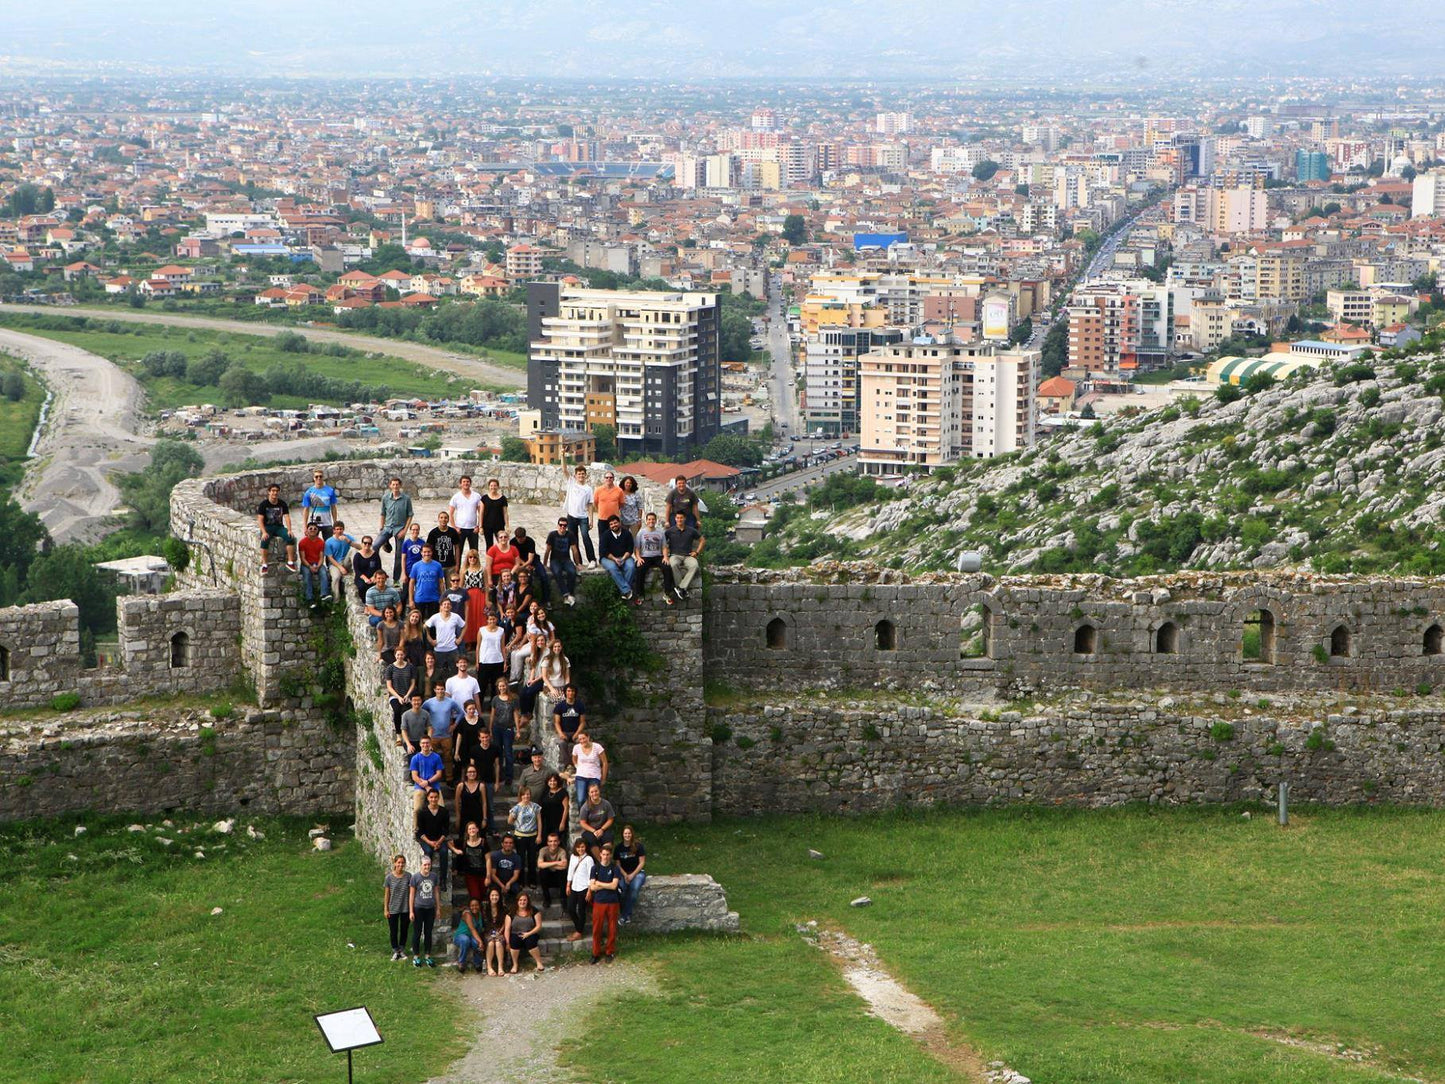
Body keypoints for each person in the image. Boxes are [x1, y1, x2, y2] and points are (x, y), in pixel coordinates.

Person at [588, 843, 622, 963]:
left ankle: (610, 951)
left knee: (612, 927)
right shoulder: (595, 868)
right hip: (599, 901)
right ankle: (595, 953)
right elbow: (592, 887)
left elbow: (614, 886)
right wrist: (603, 885)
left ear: (610, 855)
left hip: (612, 901)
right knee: (597, 928)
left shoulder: (615, 868)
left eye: (608, 854)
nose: (605, 857)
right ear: (600, 855)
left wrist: (599, 883)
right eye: (603, 854)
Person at [633, 511, 675, 605]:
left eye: (653, 519)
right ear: (646, 521)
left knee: (667, 568)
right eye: (649, 519)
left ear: (655, 521)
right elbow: (637, 548)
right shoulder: (641, 533)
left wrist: (665, 557)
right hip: (645, 556)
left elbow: (664, 547)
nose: (651, 521)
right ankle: (640, 595)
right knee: (639, 569)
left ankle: (667, 593)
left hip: (658, 556)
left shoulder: (660, 532)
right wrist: (638, 558)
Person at [377, 476, 415, 581]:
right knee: (375, 546)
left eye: (397, 484)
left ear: (400, 485)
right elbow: (382, 513)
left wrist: (405, 530)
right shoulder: (385, 498)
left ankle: (396, 579)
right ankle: (378, 573)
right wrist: (381, 528)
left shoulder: (406, 499)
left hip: (400, 528)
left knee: (399, 554)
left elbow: (410, 515)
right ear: (390, 486)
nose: (395, 486)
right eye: (393, 484)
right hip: (388, 527)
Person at [255, 483, 297, 574]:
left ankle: (290, 562)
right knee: (264, 541)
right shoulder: (263, 504)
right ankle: (264, 564)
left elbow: (287, 517)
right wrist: (264, 532)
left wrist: (289, 530)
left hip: (279, 527)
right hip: (268, 527)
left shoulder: (282, 504)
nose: (275, 493)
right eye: (273, 491)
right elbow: (260, 519)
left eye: (277, 491)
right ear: (269, 492)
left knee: (290, 538)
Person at [664, 511, 705, 601]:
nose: (679, 520)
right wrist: (665, 555)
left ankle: (681, 588)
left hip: (688, 555)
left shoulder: (691, 530)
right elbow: (663, 544)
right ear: (675, 519)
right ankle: (682, 589)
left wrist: (697, 552)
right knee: (673, 564)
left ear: (685, 519)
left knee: (694, 565)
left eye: (681, 518)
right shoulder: (670, 531)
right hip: (675, 555)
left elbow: (702, 540)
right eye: (678, 518)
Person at [507, 785, 542, 888]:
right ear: (521, 796)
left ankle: (532, 881)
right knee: (521, 859)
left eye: (528, 794)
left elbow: (539, 821)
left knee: (532, 859)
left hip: (532, 835)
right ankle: (521, 881)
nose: (526, 796)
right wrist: (517, 823)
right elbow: (509, 821)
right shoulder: (517, 808)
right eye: (524, 794)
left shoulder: (535, 806)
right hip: (520, 836)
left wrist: (539, 835)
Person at [409, 854, 440, 967]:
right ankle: (416, 956)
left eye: (428, 865)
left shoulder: (434, 876)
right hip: (418, 908)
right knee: (417, 932)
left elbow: (436, 892)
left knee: (428, 932)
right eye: (425, 865)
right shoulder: (415, 877)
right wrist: (411, 911)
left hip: (430, 908)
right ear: (421, 865)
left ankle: (428, 955)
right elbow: (411, 895)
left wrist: (438, 908)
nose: (427, 867)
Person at [563, 464, 596, 566]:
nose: (581, 475)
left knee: (586, 537)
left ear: (585, 475)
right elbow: (564, 470)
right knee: (574, 540)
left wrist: (591, 519)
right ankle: (578, 562)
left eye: (582, 474)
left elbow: (590, 505)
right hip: (571, 516)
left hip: (583, 517)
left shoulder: (588, 489)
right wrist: (563, 456)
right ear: (575, 475)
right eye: (579, 474)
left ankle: (592, 560)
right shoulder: (571, 483)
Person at [427, 598, 467, 682]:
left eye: (448, 604)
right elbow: (425, 627)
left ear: (451, 606)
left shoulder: (455, 617)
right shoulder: (435, 617)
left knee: (455, 672)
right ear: (441, 606)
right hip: (439, 649)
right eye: (444, 604)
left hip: (452, 649)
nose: (446, 606)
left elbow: (464, 626)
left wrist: (460, 638)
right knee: (437, 674)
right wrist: (430, 640)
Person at [449, 820, 489, 903]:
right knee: (475, 896)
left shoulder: (483, 842)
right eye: (470, 829)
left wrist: (488, 876)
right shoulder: (463, 842)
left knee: (483, 896)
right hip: (470, 875)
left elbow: (488, 859)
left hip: (482, 873)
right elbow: (449, 843)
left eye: (473, 828)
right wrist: (455, 850)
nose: (472, 830)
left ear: (477, 829)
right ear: (467, 831)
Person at [489, 675, 519, 786]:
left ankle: (509, 776)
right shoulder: (495, 699)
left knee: (508, 753)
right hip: (497, 728)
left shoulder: (513, 699)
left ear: (506, 686)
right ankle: (499, 775)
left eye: (503, 686)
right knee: (498, 753)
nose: (502, 688)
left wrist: (518, 730)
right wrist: (490, 729)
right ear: (498, 687)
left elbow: (515, 714)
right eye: (500, 686)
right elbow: (492, 715)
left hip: (508, 729)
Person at [598, 515, 637, 600]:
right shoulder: (605, 535)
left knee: (631, 567)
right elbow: (603, 551)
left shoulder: (627, 533)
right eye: (611, 524)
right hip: (608, 558)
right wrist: (615, 559)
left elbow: (630, 549)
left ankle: (623, 592)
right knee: (612, 567)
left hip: (624, 556)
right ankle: (626, 590)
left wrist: (623, 558)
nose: (613, 525)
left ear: (619, 523)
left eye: (615, 523)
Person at [385, 646, 418, 744]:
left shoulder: (410, 667)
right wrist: (399, 697)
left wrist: (407, 695)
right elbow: (389, 686)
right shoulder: (390, 668)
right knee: (397, 711)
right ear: (395, 655)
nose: (400, 656)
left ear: (404, 655)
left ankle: (411, 735)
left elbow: (413, 683)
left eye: (401, 655)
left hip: (407, 694)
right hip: (395, 695)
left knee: (411, 712)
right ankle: (399, 735)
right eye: (398, 655)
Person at [616, 824, 648, 925]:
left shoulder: (638, 846)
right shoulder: (618, 848)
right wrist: (625, 875)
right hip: (624, 873)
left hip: (637, 873)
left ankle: (624, 916)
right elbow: (617, 864)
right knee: (621, 890)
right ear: (622, 834)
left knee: (634, 890)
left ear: (632, 834)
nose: (627, 835)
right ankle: (625, 914)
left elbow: (642, 862)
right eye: (625, 833)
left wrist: (632, 875)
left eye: (629, 833)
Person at [506, 891, 545, 974]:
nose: (522, 902)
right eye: (520, 900)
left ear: (528, 901)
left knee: (531, 942)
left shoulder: (534, 910)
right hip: (515, 933)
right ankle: (515, 964)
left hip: (530, 932)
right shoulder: (511, 912)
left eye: (524, 900)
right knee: (514, 942)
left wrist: (528, 934)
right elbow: (507, 929)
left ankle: (539, 962)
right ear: (517, 901)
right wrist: (507, 942)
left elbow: (539, 926)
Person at [564, 836, 594, 942]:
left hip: (584, 887)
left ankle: (579, 932)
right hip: (574, 887)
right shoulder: (573, 857)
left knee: (581, 910)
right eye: (578, 847)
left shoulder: (589, 859)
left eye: (582, 847)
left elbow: (591, 876)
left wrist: (589, 891)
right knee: (570, 908)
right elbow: (570, 871)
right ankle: (579, 927)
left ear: (585, 847)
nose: (580, 849)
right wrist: (568, 884)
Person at [544, 516, 578, 607]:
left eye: (564, 525)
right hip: (555, 560)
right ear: (557, 525)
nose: (562, 527)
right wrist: (545, 564)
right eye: (561, 525)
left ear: (567, 526)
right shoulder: (552, 535)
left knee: (572, 572)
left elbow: (574, 550)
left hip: (566, 559)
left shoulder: (570, 535)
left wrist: (578, 563)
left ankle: (569, 594)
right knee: (557, 572)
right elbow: (547, 550)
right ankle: (567, 595)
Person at [383, 853, 411, 961]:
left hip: (405, 907)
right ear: (395, 863)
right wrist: (386, 909)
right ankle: (395, 950)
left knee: (404, 929)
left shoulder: (408, 876)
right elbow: (387, 894)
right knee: (393, 930)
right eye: (398, 862)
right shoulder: (389, 878)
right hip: (393, 907)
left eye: (402, 863)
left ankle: (402, 950)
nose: (400, 865)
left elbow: (411, 892)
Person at [571, 731, 608, 811]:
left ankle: (594, 817)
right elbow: (574, 759)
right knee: (581, 799)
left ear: (588, 737)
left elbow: (605, 762)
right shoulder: (576, 748)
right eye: (580, 739)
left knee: (594, 798)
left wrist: (603, 778)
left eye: (584, 738)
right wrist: (578, 767)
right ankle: (583, 816)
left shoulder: (597, 747)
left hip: (594, 776)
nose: (582, 741)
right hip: (581, 776)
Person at [449, 475, 484, 560]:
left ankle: (475, 567)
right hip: (460, 529)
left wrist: (479, 526)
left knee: (474, 552)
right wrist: (454, 528)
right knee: (458, 551)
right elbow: (450, 513)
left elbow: (481, 512)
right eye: (464, 482)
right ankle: (457, 568)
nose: (466, 483)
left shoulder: (476, 496)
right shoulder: (456, 497)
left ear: (470, 483)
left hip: (473, 529)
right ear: (460, 484)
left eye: (467, 481)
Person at [553, 683, 587, 770]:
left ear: (575, 693)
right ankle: (568, 764)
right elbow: (556, 722)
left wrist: (577, 733)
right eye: (568, 691)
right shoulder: (560, 706)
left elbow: (582, 722)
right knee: (562, 743)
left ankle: (580, 763)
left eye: (572, 691)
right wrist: (560, 733)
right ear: (565, 692)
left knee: (581, 743)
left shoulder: (580, 705)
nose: (570, 693)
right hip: (564, 732)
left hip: (576, 732)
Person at [593, 469, 625, 562]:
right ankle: (602, 557)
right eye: (607, 477)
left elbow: (621, 504)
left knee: (615, 538)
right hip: (602, 519)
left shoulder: (619, 491)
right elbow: (595, 503)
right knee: (602, 539)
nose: (608, 479)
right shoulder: (598, 490)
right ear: (604, 479)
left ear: (613, 479)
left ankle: (614, 556)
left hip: (614, 520)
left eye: (610, 477)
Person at [453, 701, 486, 788]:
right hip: (465, 749)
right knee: (464, 769)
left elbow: (484, 735)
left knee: (477, 768)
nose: (472, 711)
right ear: (465, 710)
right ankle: (463, 787)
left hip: (477, 749)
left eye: (473, 709)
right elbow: (459, 737)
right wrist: (456, 752)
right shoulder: (462, 722)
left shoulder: (480, 721)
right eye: (469, 709)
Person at [578, 782, 616, 859]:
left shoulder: (606, 804)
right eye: (592, 792)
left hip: (603, 828)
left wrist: (602, 829)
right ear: (589, 793)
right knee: (591, 840)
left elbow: (610, 819)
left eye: (596, 791)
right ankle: (600, 861)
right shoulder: (585, 806)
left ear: (599, 791)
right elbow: (582, 823)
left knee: (608, 838)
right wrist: (594, 831)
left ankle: (607, 859)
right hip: (590, 830)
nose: (594, 793)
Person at [510, 526, 548, 602]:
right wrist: (525, 566)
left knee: (543, 576)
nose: (520, 540)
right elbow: (516, 556)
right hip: (520, 561)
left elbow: (530, 559)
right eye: (518, 538)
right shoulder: (512, 542)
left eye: (522, 538)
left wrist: (525, 566)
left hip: (533, 560)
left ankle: (546, 599)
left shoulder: (530, 541)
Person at [409, 736, 446, 813]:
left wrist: (428, 782)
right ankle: (416, 821)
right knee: (417, 810)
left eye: (427, 743)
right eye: (423, 743)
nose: (425, 745)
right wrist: (426, 786)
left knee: (441, 808)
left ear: (430, 744)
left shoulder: (436, 757)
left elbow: (439, 774)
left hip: (434, 786)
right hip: (420, 786)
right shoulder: (415, 758)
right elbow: (414, 776)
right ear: (420, 744)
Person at [538, 772, 569, 861]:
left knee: (556, 842)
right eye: (550, 781)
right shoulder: (545, 791)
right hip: (546, 821)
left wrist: (562, 822)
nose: (552, 782)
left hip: (558, 822)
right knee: (546, 842)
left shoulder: (563, 792)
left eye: (554, 781)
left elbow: (566, 808)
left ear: (558, 781)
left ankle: (558, 862)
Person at [409, 544, 445, 621]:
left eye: (429, 552)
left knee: (433, 622)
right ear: (421, 553)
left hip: (434, 598)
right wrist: (411, 600)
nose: (427, 554)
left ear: (432, 552)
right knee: (418, 622)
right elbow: (411, 583)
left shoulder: (438, 565)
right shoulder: (416, 566)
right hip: (420, 598)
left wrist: (442, 598)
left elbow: (441, 582)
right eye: (424, 552)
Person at [454, 763, 490, 840]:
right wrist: (458, 817)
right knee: (464, 837)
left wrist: (484, 818)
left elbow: (484, 803)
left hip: (478, 815)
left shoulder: (481, 786)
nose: (472, 774)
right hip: (465, 815)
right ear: (466, 774)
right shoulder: (460, 786)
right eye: (470, 772)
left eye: (474, 772)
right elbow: (456, 802)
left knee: (479, 836)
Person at [475, 610, 507, 697]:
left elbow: (502, 647)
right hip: (484, 661)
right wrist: (477, 661)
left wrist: (505, 662)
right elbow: (478, 646)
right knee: (482, 685)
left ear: (496, 619)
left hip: (498, 660)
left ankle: (494, 704)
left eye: (493, 619)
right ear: (487, 620)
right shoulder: (482, 630)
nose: (492, 621)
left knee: (495, 686)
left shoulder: (501, 631)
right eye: (490, 619)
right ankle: (479, 704)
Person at [324, 521, 358, 601]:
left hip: (346, 561)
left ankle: (356, 571)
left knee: (353, 550)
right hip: (335, 564)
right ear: (334, 530)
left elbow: (360, 547)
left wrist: (348, 541)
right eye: (337, 529)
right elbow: (330, 558)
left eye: (341, 529)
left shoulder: (347, 537)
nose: (339, 531)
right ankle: (336, 600)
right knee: (336, 578)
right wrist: (340, 567)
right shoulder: (329, 542)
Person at [297, 522, 330, 607]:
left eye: (315, 529)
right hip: (306, 564)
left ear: (317, 531)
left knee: (324, 573)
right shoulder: (302, 542)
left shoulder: (321, 542)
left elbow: (321, 557)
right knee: (307, 575)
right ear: (307, 530)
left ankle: (324, 594)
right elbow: (302, 558)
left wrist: (318, 566)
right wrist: (310, 566)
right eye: (310, 528)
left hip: (317, 563)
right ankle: (309, 598)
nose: (313, 530)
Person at [460, 550, 487, 647]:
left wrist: (487, 599)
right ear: (467, 558)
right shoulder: (464, 570)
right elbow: (461, 586)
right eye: (470, 557)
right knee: (469, 617)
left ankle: (479, 641)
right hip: (468, 595)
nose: (472, 559)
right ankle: (469, 641)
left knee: (480, 617)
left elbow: (486, 586)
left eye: (474, 557)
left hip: (480, 595)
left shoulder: (482, 569)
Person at [537, 831, 569, 910]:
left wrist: (547, 864)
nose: (553, 843)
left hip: (558, 878)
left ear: (558, 842)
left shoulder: (562, 851)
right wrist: (557, 863)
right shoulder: (543, 850)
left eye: (555, 841)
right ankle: (547, 899)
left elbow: (564, 865)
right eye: (550, 841)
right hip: (548, 877)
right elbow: (539, 864)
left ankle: (563, 898)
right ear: (547, 842)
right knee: (542, 871)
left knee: (563, 872)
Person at [480, 887, 508, 976]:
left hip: (499, 931)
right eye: (492, 895)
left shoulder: (503, 907)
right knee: (491, 943)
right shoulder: (484, 907)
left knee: (499, 943)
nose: (494, 897)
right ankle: (489, 967)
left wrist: (500, 931)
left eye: (496, 895)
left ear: (499, 896)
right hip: (488, 931)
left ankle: (500, 967)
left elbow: (505, 922)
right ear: (489, 896)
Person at [453, 896, 484, 975]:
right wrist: (480, 941)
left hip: (471, 936)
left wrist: (479, 941)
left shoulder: (480, 914)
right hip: (461, 936)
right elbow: (472, 929)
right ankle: (461, 962)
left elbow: (480, 929)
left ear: (479, 905)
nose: (474, 907)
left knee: (475, 943)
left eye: (476, 905)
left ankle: (477, 963)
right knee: (465, 940)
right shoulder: (467, 914)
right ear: (469, 907)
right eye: (472, 905)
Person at [487, 833, 522, 902]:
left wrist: (509, 883)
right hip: (498, 882)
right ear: (502, 844)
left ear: (513, 845)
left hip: (510, 881)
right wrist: (502, 885)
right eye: (506, 843)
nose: (508, 845)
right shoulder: (495, 856)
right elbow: (493, 874)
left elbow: (516, 875)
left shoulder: (517, 857)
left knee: (517, 890)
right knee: (493, 891)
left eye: (510, 843)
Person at [480, 477, 510, 550]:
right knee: (489, 545)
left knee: (502, 543)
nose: (493, 487)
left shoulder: (502, 498)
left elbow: (505, 513)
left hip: (499, 525)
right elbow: (481, 513)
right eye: (491, 485)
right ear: (489, 486)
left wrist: (507, 526)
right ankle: (489, 557)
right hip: (487, 525)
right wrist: (480, 526)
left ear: (498, 487)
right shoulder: (484, 498)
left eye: (495, 485)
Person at [351, 535, 383, 604]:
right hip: (361, 577)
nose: (367, 545)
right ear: (362, 544)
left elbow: (379, 568)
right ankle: (366, 603)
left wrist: (374, 577)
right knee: (362, 587)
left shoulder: (375, 555)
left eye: (369, 543)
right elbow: (357, 570)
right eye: (365, 543)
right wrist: (365, 578)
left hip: (373, 577)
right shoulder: (357, 556)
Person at [400, 692, 430, 760]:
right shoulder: (405, 715)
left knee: (425, 758)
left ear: (421, 701)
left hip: (421, 741)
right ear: (411, 701)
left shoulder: (426, 714)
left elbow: (429, 727)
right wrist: (408, 745)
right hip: (410, 741)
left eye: (418, 700)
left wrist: (429, 741)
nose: (416, 702)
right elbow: (403, 730)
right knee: (413, 759)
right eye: (414, 700)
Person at [399, 522, 426, 592]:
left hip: (419, 570)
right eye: (413, 530)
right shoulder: (406, 543)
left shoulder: (422, 542)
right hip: (409, 569)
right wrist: (403, 572)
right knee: (406, 591)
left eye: (417, 530)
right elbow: (403, 558)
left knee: (419, 590)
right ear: (410, 531)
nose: (415, 531)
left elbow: (425, 557)